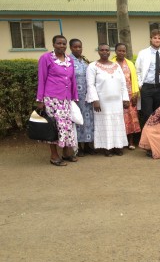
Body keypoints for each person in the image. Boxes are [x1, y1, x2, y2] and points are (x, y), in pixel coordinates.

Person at [36, 35, 78, 166]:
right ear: (53, 44)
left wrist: (74, 97)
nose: (62, 46)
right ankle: (54, 156)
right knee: (54, 127)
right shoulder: (46, 58)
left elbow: (72, 80)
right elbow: (42, 79)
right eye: (59, 43)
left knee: (67, 126)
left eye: (64, 44)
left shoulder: (69, 60)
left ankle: (66, 153)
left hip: (66, 99)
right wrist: (40, 99)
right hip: (51, 99)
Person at [86, 43, 130, 157]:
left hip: (117, 101)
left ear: (110, 52)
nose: (104, 52)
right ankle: (107, 148)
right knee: (105, 124)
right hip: (102, 102)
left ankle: (117, 146)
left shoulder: (116, 66)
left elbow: (123, 83)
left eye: (107, 50)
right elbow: (90, 85)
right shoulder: (93, 66)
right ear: (99, 51)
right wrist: (95, 100)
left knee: (117, 123)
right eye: (102, 50)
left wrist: (125, 98)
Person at [135, 29, 160, 123]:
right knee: (147, 113)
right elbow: (137, 70)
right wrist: (140, 84)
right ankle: (148, 135)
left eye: (159, 38)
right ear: (150, 39)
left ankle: (157, 135)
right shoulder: (143, 53)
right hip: (147, 87)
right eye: (155, 38)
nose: (157, 40)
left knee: (159, 113)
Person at [111, 43, 141, 150]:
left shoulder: (130, 64)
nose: (121, 53)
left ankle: (131, 141)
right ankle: (120, 142)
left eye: (123, 51)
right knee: (119, 119)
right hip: (116, 96)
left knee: (131, 119)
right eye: (119, 50)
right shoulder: (111, 64)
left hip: (129, 95)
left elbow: (134, 79)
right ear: (115, 51)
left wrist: (135, 93)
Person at [69, 38, 94, 157]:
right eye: (75, 47)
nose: (78, 49)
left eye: (80, 47)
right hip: (76, 96)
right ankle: (78, 146)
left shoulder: (84, 61)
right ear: (71, 48)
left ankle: (88, 145)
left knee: (88, 120)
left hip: (87, 96)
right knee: (77, 120)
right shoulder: (68, 61)